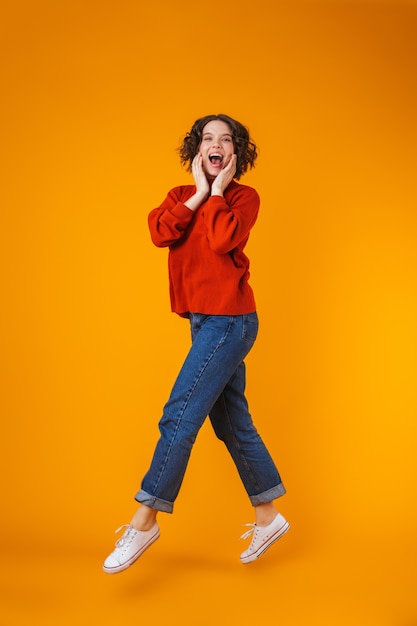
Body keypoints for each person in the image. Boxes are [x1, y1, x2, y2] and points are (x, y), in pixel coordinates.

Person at [103, 114, 289, 574]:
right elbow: (160, 232)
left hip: (231, 321)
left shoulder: (244, 199)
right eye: (208, 138)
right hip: (204, 320)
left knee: (179, 416)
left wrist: (220, 192)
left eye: (226, 140)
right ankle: (268, 515)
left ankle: (145, 520)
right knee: (231, 423)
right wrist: (201, 193)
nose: (216, 145)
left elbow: (224, 237)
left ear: (236, 153)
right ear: (196, 148)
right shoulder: (181, 197)